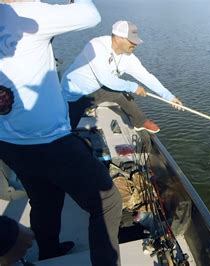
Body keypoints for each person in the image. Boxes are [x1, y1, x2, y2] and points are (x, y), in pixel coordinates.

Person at [0, 1, 122, 265]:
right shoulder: (26, 13)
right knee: (108, 203)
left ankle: (50, 252)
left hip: (9, 142)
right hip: (50, 143)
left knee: (44, 199)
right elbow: (91, 14)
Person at [61, 20, 183, 133]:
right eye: (132, 41)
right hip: (74, 95)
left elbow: (147, 77)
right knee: (66, 133)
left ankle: (139, 122)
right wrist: (133, 86)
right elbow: (105, 78)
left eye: (136, 41)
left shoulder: (128, 57)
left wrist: (168, 96)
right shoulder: (96, 46)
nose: (135, 44)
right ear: (118, 38)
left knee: (122, 94)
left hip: (96, 89)